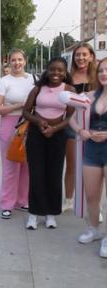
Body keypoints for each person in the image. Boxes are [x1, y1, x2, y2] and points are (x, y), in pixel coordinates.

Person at [23, 57, 75, 230]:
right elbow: (26, 111)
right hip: (36, 135)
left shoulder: (69, 89)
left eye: (60, 70)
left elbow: (71, 117)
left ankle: (51, 214)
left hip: (58, 135)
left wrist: (55, 128)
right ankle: (33, 213)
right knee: (36, 173)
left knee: (54, 174)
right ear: (47, 70)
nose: (56, 73)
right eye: (52, 69)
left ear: (65, 72)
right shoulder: (38, 89)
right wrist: (38, 122)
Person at [69, 57, 107, 258]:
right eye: (101, 70)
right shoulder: (89, 96)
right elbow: (72, 119)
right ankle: (93, 229)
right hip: (91, 148)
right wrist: (80, 131)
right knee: (92, 195)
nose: (104, 74)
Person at [0, 49, 35, 219]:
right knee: (11, 166)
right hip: (10, 124)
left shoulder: (33, 79)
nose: (17, 63)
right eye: (13, 60)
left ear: (25, 61)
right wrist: (17, 106)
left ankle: (23, 201)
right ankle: (7, 203)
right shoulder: (4, 82)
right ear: (9, 62)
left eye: (20, 59)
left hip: (30, 124)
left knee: (27, 166)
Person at [64, 43, 97, 212]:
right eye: (77, 55)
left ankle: (92, 204)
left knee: (92, 167)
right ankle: (69, 201)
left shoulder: (98, 77)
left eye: (84, 54)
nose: (81, 58)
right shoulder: (68, 77)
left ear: (91, 56)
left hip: (94, 126)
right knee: (71, 165)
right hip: (72, 124)